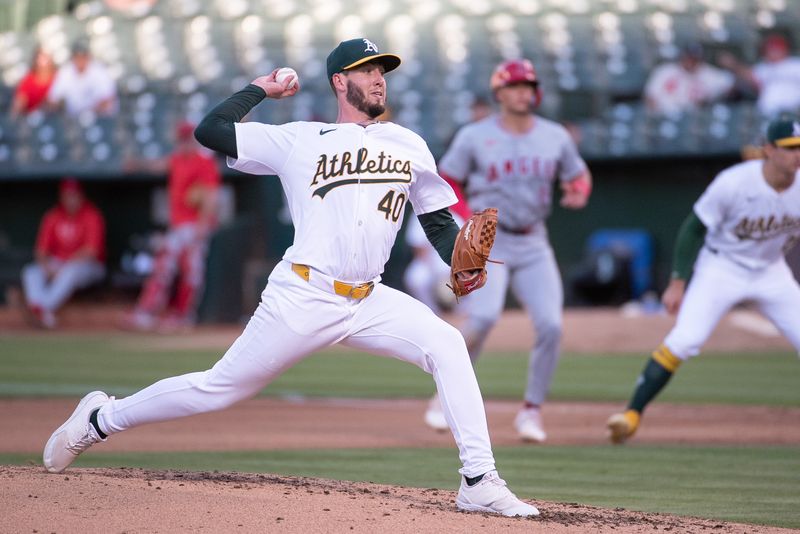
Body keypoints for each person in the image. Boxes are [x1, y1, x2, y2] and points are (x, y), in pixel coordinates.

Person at [43, 38, 539, 518]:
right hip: (303, 294)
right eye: (367, 70)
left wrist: (459, 254)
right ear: (340, 83)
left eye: (382, 71)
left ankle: (479, 481)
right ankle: (101, 418)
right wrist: (261, 89)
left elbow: (435, 220)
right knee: (219, 388)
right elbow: (211, 130)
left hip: (368, 299)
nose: (378, 79)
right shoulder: (300, 139)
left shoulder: (409, 144)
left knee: (447, 344)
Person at [426, 59, 593, 443]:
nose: (522, 91)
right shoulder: (474, 135)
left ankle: (531, 412)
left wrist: (578, 191)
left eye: (528, 85)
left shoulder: (554, 136)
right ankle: (442, 396)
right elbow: (448, 176)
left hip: (534, 239)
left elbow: (578, 173)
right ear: (499, 92)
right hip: (490, 237)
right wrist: (467, 217)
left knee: (551, 324)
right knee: (483, 319)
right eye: (515, 85)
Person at [607, 116, 800, 444]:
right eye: (790, 147)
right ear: (768, 149)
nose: (797, 154)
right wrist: (678, 281)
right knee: (685, 339)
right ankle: (631, 414)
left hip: (771, 270)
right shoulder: (735, 182)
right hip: (722, 267)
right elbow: (694, 227)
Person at [123, 121, 221, 332]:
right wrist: (137, 164)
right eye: (181, 139)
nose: (184, 142)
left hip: (194, 225)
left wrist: (202, 226)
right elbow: (157, 164)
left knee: (189, 270)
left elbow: (211, 197)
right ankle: (149, 313)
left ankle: (181, 316)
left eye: (187, 138)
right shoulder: (176, 159)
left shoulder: (204, 161)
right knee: (165, 267)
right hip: (179, 225)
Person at [21, 178, 106, 328]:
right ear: (62, 197)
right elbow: (41, 250)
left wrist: (62, 267)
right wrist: (47, 266)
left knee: (70, 271)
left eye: (74, 195)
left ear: (81, 196)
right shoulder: (53, 216)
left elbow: (91, 251)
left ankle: (43, 308)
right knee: (31, 271)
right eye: (68, 195)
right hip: (58, 263)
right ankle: (41, 311)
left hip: (88, 266)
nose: (71, 199)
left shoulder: (92, 215)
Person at [719, 33, 800, 118]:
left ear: (784, 49)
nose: (773, 52)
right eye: (770, 49)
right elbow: (751, 78)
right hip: (767, 113)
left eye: (776, 49)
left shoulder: (795, 64)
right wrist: (734, 65)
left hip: (793, 112)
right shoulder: (764, 67)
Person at [643, 43, 734, 116]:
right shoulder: (666, 70)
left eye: (693, 59)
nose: (690, 61)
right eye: (688, 57)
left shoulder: (708, 73)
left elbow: (730, 84)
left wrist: (710, 99)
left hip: (692, 119)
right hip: (663, 115)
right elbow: (650, 96)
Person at [47, 40, 117, 117]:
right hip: (74, 120)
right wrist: (56, 105)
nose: (80, 60)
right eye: (77, 56)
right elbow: (53, 98)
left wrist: (90, 112)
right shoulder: (65, 72)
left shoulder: (99, 71)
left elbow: (108, 99)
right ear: (72, 57)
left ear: (89, 56)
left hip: (100, 117)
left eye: (83, 56)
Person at [10, 46, 57, 118]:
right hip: (33, 119)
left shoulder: (57, 76)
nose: (43, 61)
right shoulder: (28, 80)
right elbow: (18, 104)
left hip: (54, 116)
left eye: (46, 57)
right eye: (40, 58)